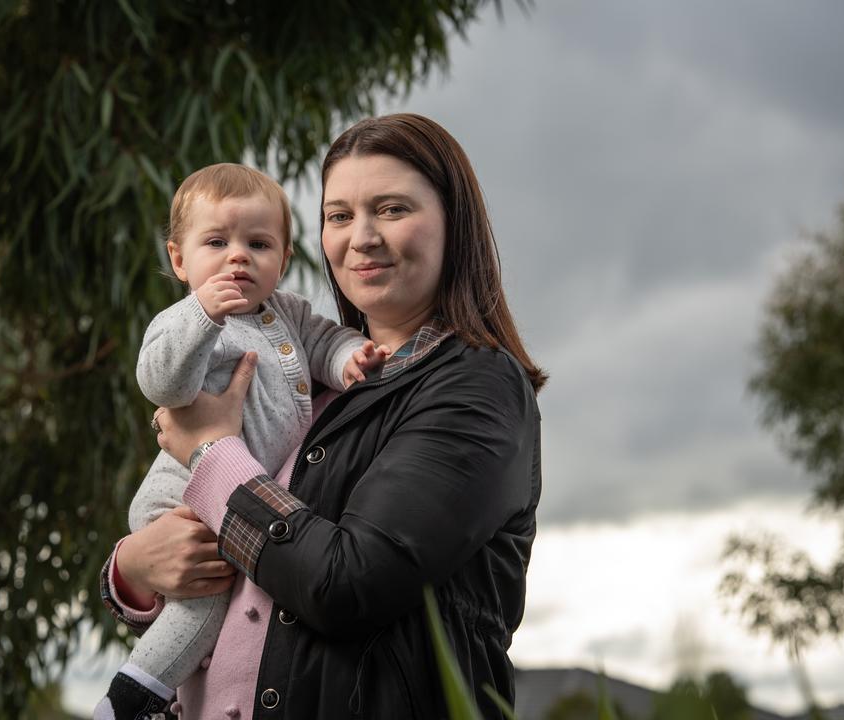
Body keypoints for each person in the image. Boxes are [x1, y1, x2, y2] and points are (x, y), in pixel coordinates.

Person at [103, 113, 546, 719]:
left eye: (392, 209)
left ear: (454, 223)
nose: (361, 237)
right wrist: (132, 569)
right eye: (339, 216)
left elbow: (346, 583)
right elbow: (247, 575)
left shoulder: (476, 388)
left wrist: (209, 451)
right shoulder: (304, 384)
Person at [95, 163, 390, 720]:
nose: (238, 256)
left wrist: (352, 357)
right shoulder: (184, 319)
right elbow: (161, 383)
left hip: (239, 506)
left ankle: (161, 699)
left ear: (282, 260)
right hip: (183, 494)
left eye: (258, 243)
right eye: (216, 242)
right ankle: (132, 698)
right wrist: (203, 315)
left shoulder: (291, 314)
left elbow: (326, 343)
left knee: (213, 600)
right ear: (179, 260)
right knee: (203, 601)